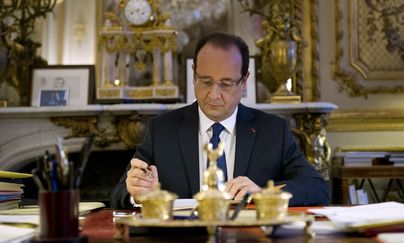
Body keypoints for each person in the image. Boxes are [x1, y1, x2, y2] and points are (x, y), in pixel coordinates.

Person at [110, 31, 330, 209]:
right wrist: (137, 194)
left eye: (226, 84)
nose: (214, 95)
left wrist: (264, 194)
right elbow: (119, 193)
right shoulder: (163, 129)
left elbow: (317, 187)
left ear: (244, 82)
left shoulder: (273, 130)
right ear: (194, 74)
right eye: (205, 81)